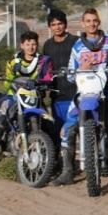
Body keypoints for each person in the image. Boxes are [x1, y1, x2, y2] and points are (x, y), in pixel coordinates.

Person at [52, 8, 108, 186]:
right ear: (83, 23)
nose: (92, 24)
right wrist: (81, 67)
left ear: (99, 22)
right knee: (69, 126)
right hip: (85, 92)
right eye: (88, 21)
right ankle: (68, 171)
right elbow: (70, 74)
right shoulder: (77, 46)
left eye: (95, 21)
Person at [0, 31, 52, 175]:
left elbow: (48, 77)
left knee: (49, 123)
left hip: (35, 98)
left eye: (34, 44)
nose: (31, 47)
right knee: (0, 122)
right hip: (14, 97)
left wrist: (44, 83)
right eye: (27, 44)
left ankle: (50, 161)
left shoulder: (44, 61)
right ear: (22, 45)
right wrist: (14, 84)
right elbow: (7, 82)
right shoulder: (13, 62)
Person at [42, 9, 79, 145]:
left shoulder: (76, 41)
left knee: (77, 130)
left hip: (76, 94)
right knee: (59, 131)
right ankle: (61, 163)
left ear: (65, 24)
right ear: (50, 26)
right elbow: (46, 70)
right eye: (54, 24)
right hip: (57, 96)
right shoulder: (47, 45)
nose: (57, 27)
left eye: (60, 23)